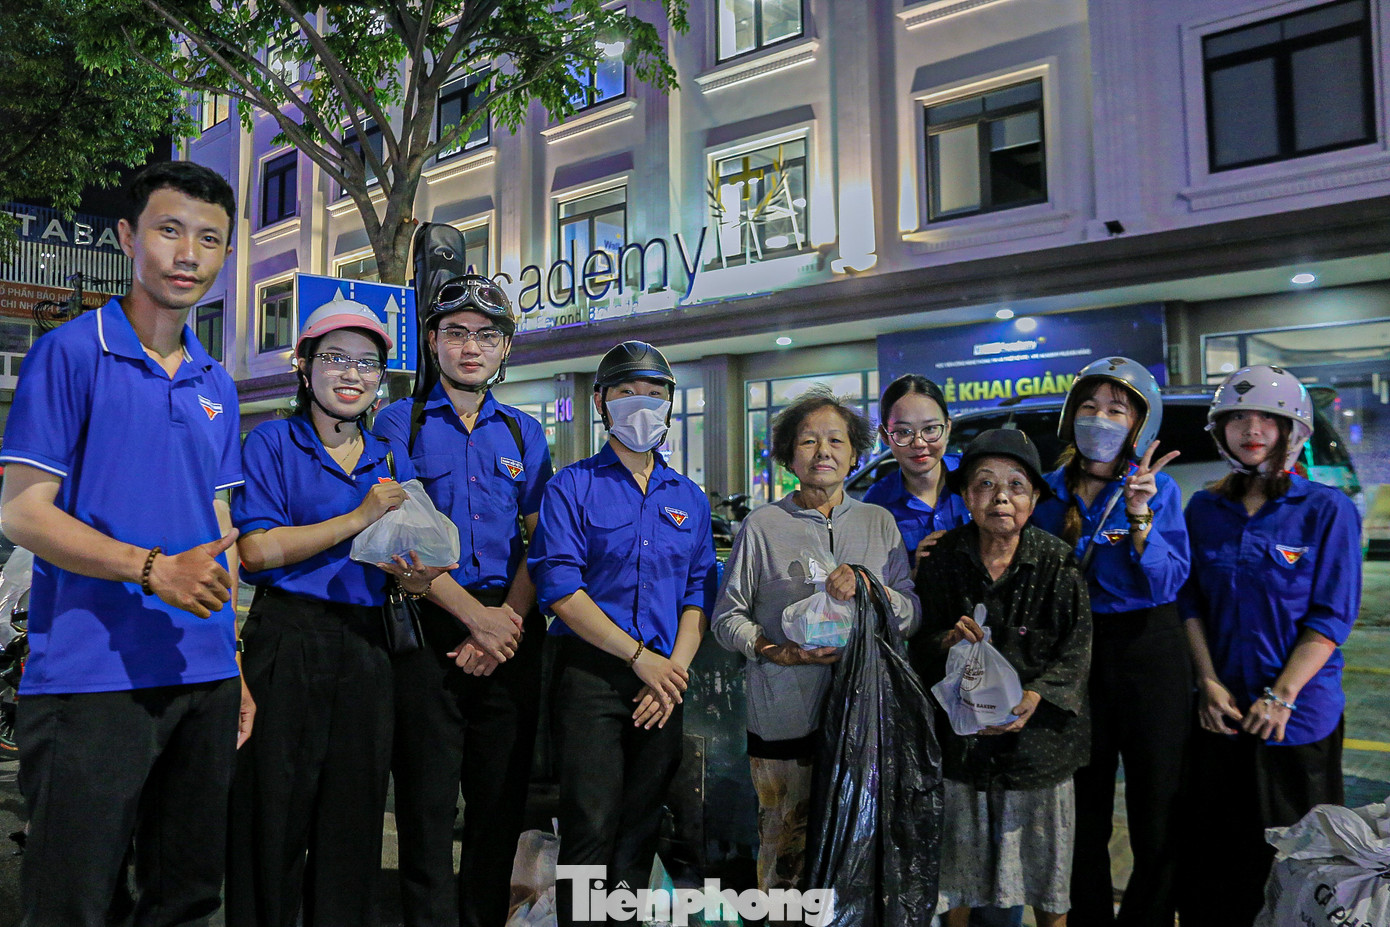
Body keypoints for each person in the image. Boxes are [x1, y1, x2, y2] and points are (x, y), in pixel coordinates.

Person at [0, 161, 252, 926]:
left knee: (186, 900)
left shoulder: (219, 383)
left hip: (202, 677)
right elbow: (22, 513)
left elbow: (220, 534)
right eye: (169, 230)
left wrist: (233, 661)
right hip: (90, 679)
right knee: (75, 900)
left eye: (209, 239)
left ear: (225, 255)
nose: (188, 254)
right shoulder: (71, 353)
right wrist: (150, 569)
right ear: (126, 237)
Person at [225, 299, 441, 927]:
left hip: (368, 646)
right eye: (335, 358)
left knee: (353, 820)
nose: (351, 374)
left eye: (367, 363)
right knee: (272, 817)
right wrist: (358, 518)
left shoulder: (387, 458)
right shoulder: (270, 440)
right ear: (304, 366)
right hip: (287, 640)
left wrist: (417, 574)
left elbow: (405, 559)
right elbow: (258, 550)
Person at [375, 274, 552, 927]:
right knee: (424, 805)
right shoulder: (400, 421)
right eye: (456, 333)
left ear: (504, 347)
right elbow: (399, 533)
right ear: (432, 341)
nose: (470, 346)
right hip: (429, 627)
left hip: (510, 630)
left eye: (486, 335)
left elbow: (543, 538)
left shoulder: (525, 432)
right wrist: (475, 618)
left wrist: (505, 620)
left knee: (499, 805)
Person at [528, 341, 717, 927]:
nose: (643, 403)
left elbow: (698, 593)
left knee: (641, 826)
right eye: (627, 390)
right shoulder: (571, 487)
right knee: (590, 824)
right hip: (592, 674)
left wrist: (671, 671)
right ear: (602, 403)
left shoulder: (688, 496)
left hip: (664, 680)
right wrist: (639, 659)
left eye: (656, 392)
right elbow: (559, 588)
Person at [712, 386, 918, 897]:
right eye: (808, 442)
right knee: (784, 846)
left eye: (835, 440)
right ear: (788, 454)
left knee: (858, 846)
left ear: (854, 453)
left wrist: (869, 582)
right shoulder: (762, 527)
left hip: (864, 718)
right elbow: (727, 618)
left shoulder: (879, 523)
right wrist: (773, 649)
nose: (822, 451)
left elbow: (911, 611)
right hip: (783, 714)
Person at [1177, 364, 1361, 927]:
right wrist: (1207, 682)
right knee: (1216, 864)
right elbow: (1190, 604)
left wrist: (1281, 696)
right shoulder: (1204, 510)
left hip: (1296, 723)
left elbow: (1332, 617)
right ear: (1221, 431)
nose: (1251, 429)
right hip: (1221, 718)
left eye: (1267, 419)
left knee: (1297, 870)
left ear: (1292, 432)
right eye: (1237, 418)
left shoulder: (1327, 511)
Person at [1031, 357, 1190, 927]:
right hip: (1076, 656)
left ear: (1140, 426)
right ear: (1072, 416)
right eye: (1090, 408)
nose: (1100, 419)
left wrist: (1139, 513)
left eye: (1117, 411)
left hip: (1148, 651)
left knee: (1157, 804)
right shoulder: (1045, 493)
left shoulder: (1158, 488)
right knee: (1082, 806)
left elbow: (1170, 580)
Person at [911, 429, 1091, 927]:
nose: (1002, 497)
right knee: (956, 878)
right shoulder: (944, 559)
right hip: (962, 748)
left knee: (1048, 879)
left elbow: (1077, 650)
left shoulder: (1057, 561)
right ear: (967, 496)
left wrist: (1036, 696)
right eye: (985, 485)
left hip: (1040, 751)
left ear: (1034, 498)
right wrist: (948, 640)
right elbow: (916, 646)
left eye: (1016, 486)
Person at [863, 374, 971, 571]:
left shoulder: (975, 476)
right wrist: (915, 572)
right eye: (904, 432)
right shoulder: (877, 504)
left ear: (947, 427)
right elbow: (876, 582)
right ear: (885, 437)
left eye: (930, 428)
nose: (919, 443)